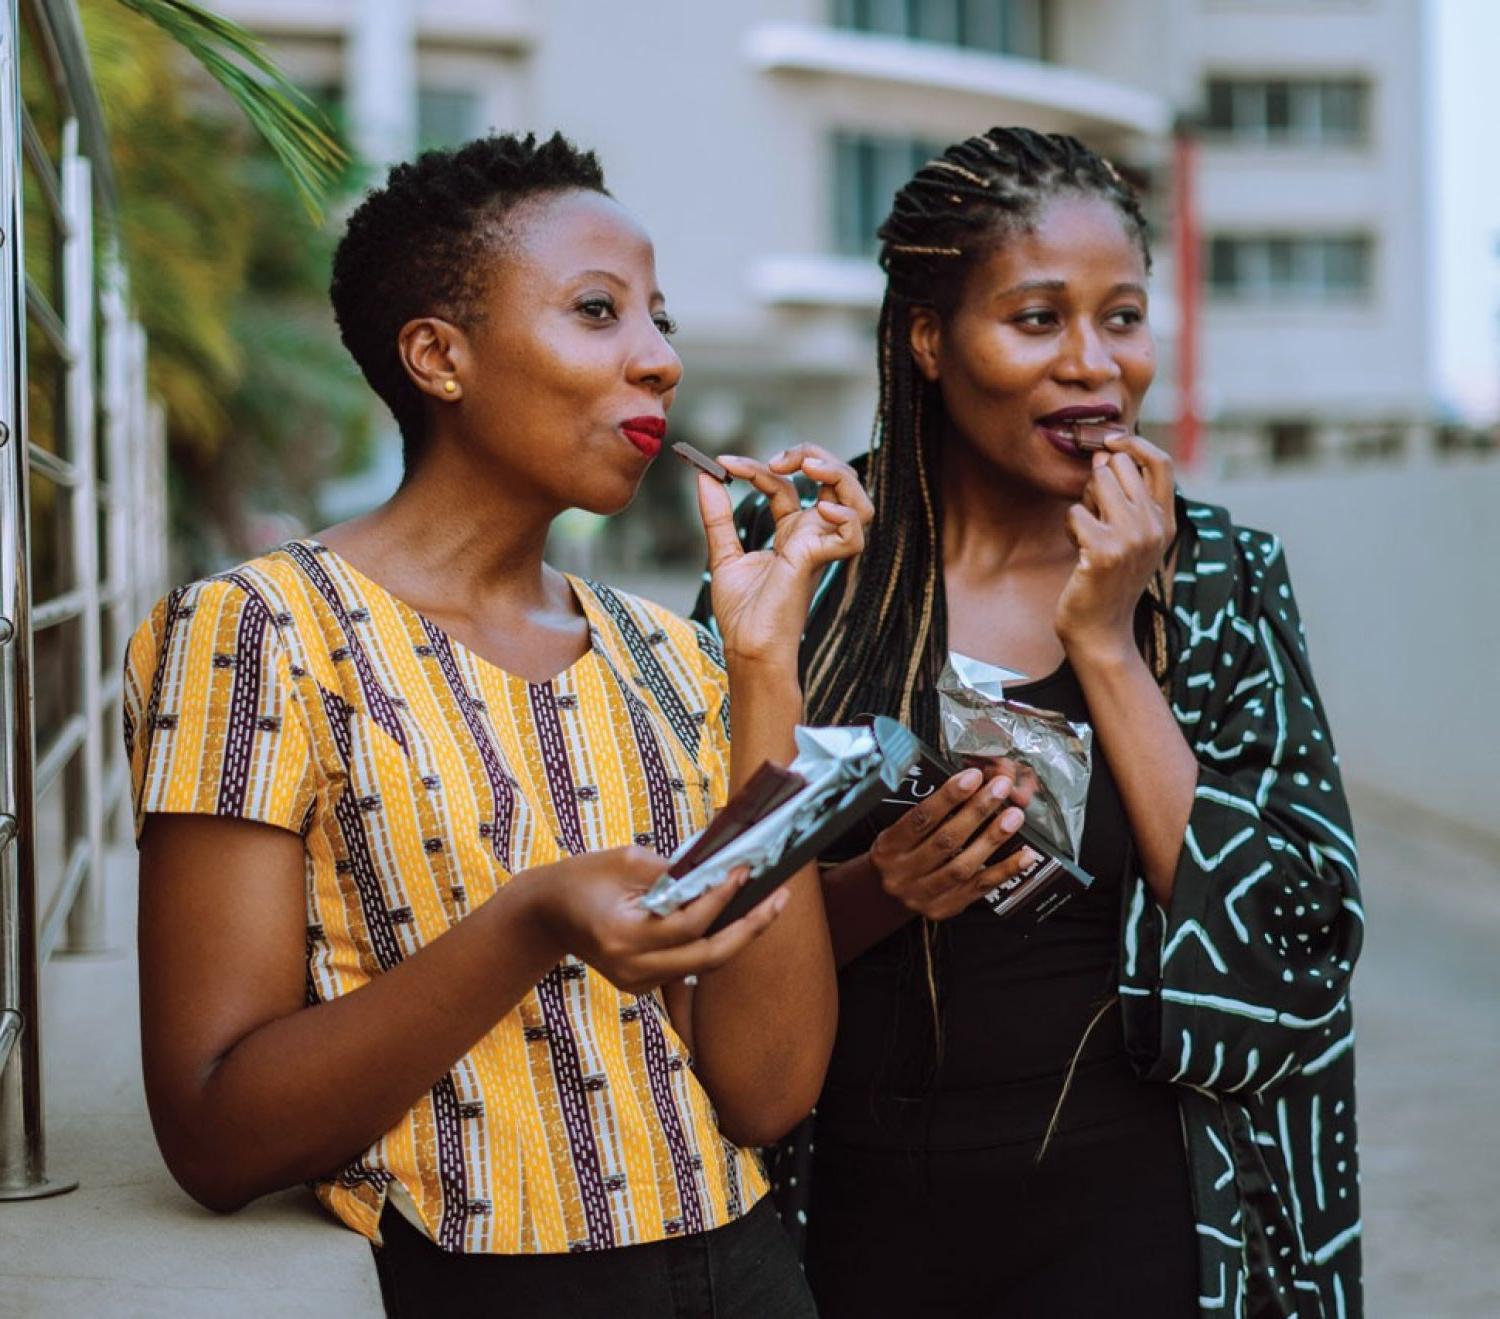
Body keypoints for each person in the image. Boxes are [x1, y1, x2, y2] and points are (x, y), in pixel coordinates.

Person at [124, 132, 873, 1318]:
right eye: (597, 311)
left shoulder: (679, 656)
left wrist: (764, 663)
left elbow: (769, 1091)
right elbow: (215, 1129)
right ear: (439, 355)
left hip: (753, 1271)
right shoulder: (258, 633)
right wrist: (531, 920)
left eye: (659, 319)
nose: (661, 361)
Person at [698, 127, 1364, 1318]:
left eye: (1123, 317)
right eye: (1039, 318)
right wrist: (879, 887)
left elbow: (1289, 959)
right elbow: (695, 932)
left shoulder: (1216, 580)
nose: (1095, 365)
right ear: (928, 339)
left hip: (1147, 1230)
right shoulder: (801, 572)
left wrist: (1108, 642)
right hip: (845, 1234)